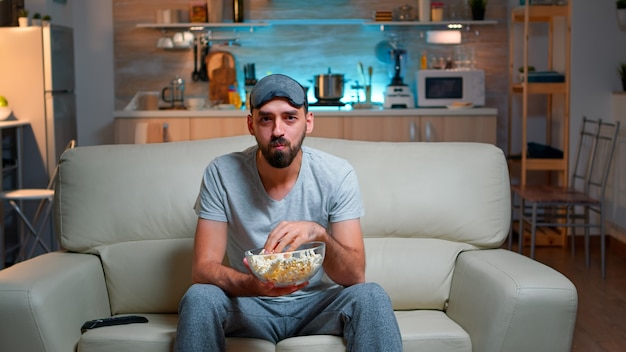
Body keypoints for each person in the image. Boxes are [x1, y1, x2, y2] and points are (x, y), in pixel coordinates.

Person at [174, 74, 402, 352]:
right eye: (266, 119)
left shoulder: (337, 173)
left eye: (290, 118)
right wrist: (254, 285)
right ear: (251, 124)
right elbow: (203, 268)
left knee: (371, 295)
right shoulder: (221, 173)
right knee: (199, 296)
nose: (278, 130)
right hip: (249, 305)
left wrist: (319, 234)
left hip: (316, 307)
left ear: (308, 122)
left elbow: (355, 276)